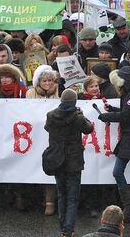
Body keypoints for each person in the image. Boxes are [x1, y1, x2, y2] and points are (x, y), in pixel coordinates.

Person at [98, 65, 130, 227]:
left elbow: (126, 115)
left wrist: (107, 115)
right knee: (118, 172)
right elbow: (127, 111)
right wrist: (112, 110)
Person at [43, 88, 94, 236]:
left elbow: (47, 128)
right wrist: (81, 115)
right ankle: (68, 230)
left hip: (57, 160)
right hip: (73, 160)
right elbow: (89, 129)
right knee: (72, 197)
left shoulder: (51, 115)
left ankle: (62, 227)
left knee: (61, 194)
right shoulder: (77, 117)